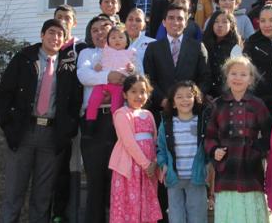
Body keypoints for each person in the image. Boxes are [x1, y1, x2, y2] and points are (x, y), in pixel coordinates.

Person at [0, 19, 81, 223]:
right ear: (42, 35)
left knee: (42, 196)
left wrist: (67, 130)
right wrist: (8, 124)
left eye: (60, 35)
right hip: (24, 131)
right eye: (51, 33)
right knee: (14, 191)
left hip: (52, 136)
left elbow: (75, 102)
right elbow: (4, 93)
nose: (55, 38)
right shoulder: (24, 59)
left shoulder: (68, 66)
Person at [204, 56, 272, 223]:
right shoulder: (217, 105)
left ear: (250, 79)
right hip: (226, 169)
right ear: (227, 78)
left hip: (251, 169)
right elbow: (210, 136)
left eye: (243, 74)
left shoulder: (258, 104)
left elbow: (271, 134)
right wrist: (214, 150)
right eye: (233, 73)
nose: (238, 78)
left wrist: (258, 150)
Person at [76, 16, 121, 223]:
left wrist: (106, 77)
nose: (99, 32)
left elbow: (130, 77)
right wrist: (108, 77)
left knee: (116, 179)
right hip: (92, 122)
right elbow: (84, 75)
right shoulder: (86, 53)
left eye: (104, 28)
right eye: (94, 29)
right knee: (95, 179)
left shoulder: (123, 53)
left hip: (118, 122)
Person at [108, 74, 162, 223]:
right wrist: (146, 164)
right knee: (129, 207)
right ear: (125, 94)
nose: (139, 95)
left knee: (146, 204)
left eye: (143, 91)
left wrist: (154, 163)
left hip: (148, 171)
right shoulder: (121, 114)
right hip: (129, 171)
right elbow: (129, 142)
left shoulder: (149, 115)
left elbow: (155, 141)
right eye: (133, 91)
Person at [143, 3, 211, 119]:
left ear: (186, 23)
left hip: (191, 110)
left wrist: (193, 98)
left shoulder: (198, 47)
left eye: (180, 18)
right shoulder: (152, 48)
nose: (175, 22)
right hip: (161, 110)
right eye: (171, 18)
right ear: (164, 22)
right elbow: (149, 79)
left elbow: (205, 78)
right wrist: (162, 100)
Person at [51, 5, 87, 223]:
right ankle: (56, 213)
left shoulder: (80, 48)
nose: (63, 20)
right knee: (55, 167)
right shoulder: (48, 48)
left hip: (76, 118)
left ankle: (71, 213)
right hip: (50, 119)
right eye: (59, 17)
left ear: (74, 23)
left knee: (74, 167)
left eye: (67, 18)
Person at [157, 81, 209, 223]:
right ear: (173, 103)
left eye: (188, 96)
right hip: (174, 179)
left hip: (196, 178)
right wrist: (163, 165)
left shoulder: (201, 122)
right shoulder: (167, 123)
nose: (184, 100)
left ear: (195, 99)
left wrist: (208, 168)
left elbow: (209, 148)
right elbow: (160, 148)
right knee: (176, 217)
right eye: (179, 97)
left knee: (198, 217)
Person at [85, 25, 136, 122]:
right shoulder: (105, 51)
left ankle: (116, 124)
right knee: (93, 101)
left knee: (116, 106)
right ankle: (90, 122)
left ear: (127, 41)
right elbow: (99, 62)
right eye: (113, 38)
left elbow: (134, 69)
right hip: (103, 83)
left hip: (118, 86)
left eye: (121, 37)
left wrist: (131, 68)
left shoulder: (130, 53)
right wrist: (97, 66)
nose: (117, 40)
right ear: (108, 41)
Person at [202, 10, 243, 98]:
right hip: (206, 93)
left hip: (227, 94)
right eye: (216, 21)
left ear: (231, 25)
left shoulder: (236, 47)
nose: (220, 25)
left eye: (224, 22)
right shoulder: (204, 44)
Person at [124, 8, 156, 75]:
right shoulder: (114, 42)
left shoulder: (153, 43)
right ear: (125, 22)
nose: (133, 23)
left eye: (138, 20)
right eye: (130, 19)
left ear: (144, 25)